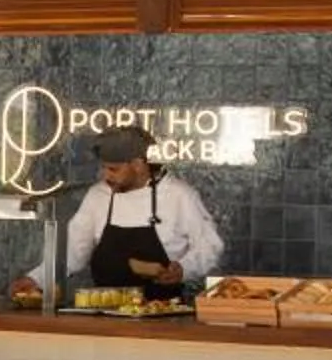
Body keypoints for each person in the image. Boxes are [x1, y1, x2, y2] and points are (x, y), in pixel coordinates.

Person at [12, 125, 223, 303]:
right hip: (105, 315)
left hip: (163, 315)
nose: (105, 176)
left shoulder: (179, 195)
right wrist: (37, 279)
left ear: (139, 165)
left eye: (113, 169)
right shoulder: (97, 196)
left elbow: (210, 247)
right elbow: (73, 254)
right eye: (104, 168)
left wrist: (183, 269)